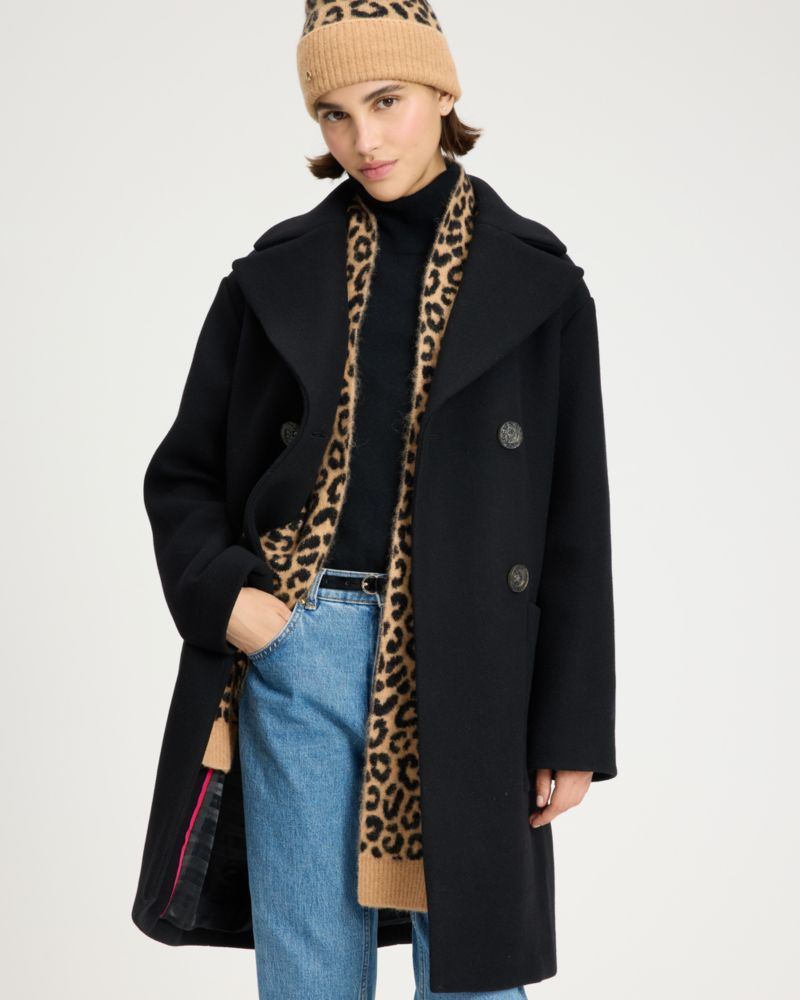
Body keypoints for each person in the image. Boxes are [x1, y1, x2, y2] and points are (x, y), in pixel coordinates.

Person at [132, 2, 617, 997]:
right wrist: (234, 602)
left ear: (442, 91)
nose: (364, 138)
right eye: (335, 113)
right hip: (298, 645)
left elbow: (574, 520)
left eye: (387, 100)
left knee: (477, 975)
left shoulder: (541, 287)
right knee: (308, 971)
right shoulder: (270, 278)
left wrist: (572, 728)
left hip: (471, 655)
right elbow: (182, 472)